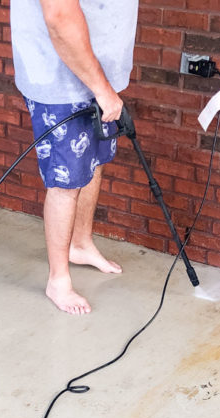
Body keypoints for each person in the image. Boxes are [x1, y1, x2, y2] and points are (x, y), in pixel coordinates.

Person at [10, 0, 139, 315]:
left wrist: (104, 87)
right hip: (61, 80)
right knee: (66, 181)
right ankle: (58, 280)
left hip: (97, 78)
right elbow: (59, 16)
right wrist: (102, 89)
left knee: (92, 164)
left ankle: (79, 245)